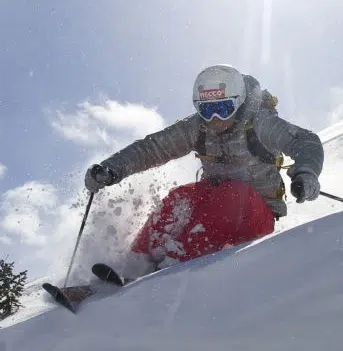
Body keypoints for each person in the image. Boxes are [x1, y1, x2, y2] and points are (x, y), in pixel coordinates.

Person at [84, 64, 323, 277]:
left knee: (233, 195)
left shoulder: (259, 122)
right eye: (208, 111)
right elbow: (152, 148)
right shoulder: (198, 127)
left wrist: (306, 172)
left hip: (256, 211)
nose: (216, 119)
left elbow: (305, 141)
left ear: (238, 103)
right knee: (179, 197)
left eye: (224, 108)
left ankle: (172, 269)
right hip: (216, 203)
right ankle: (136, 263)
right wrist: (111, 168)